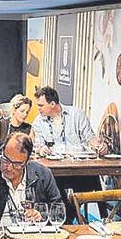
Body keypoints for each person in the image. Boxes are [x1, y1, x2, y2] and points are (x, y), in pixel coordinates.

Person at [31, 86, 100, 223]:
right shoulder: (39, 121)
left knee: (94, 178)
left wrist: (98, 146)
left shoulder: (76, 114)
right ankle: (67, 216)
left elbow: (90, 137)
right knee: (51, 186)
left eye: (41, 105)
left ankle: (104, 217)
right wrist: (41, 149)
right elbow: (37, 145)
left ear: (52, 104)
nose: (38, 108)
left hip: (79, 169)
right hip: (55, 171)